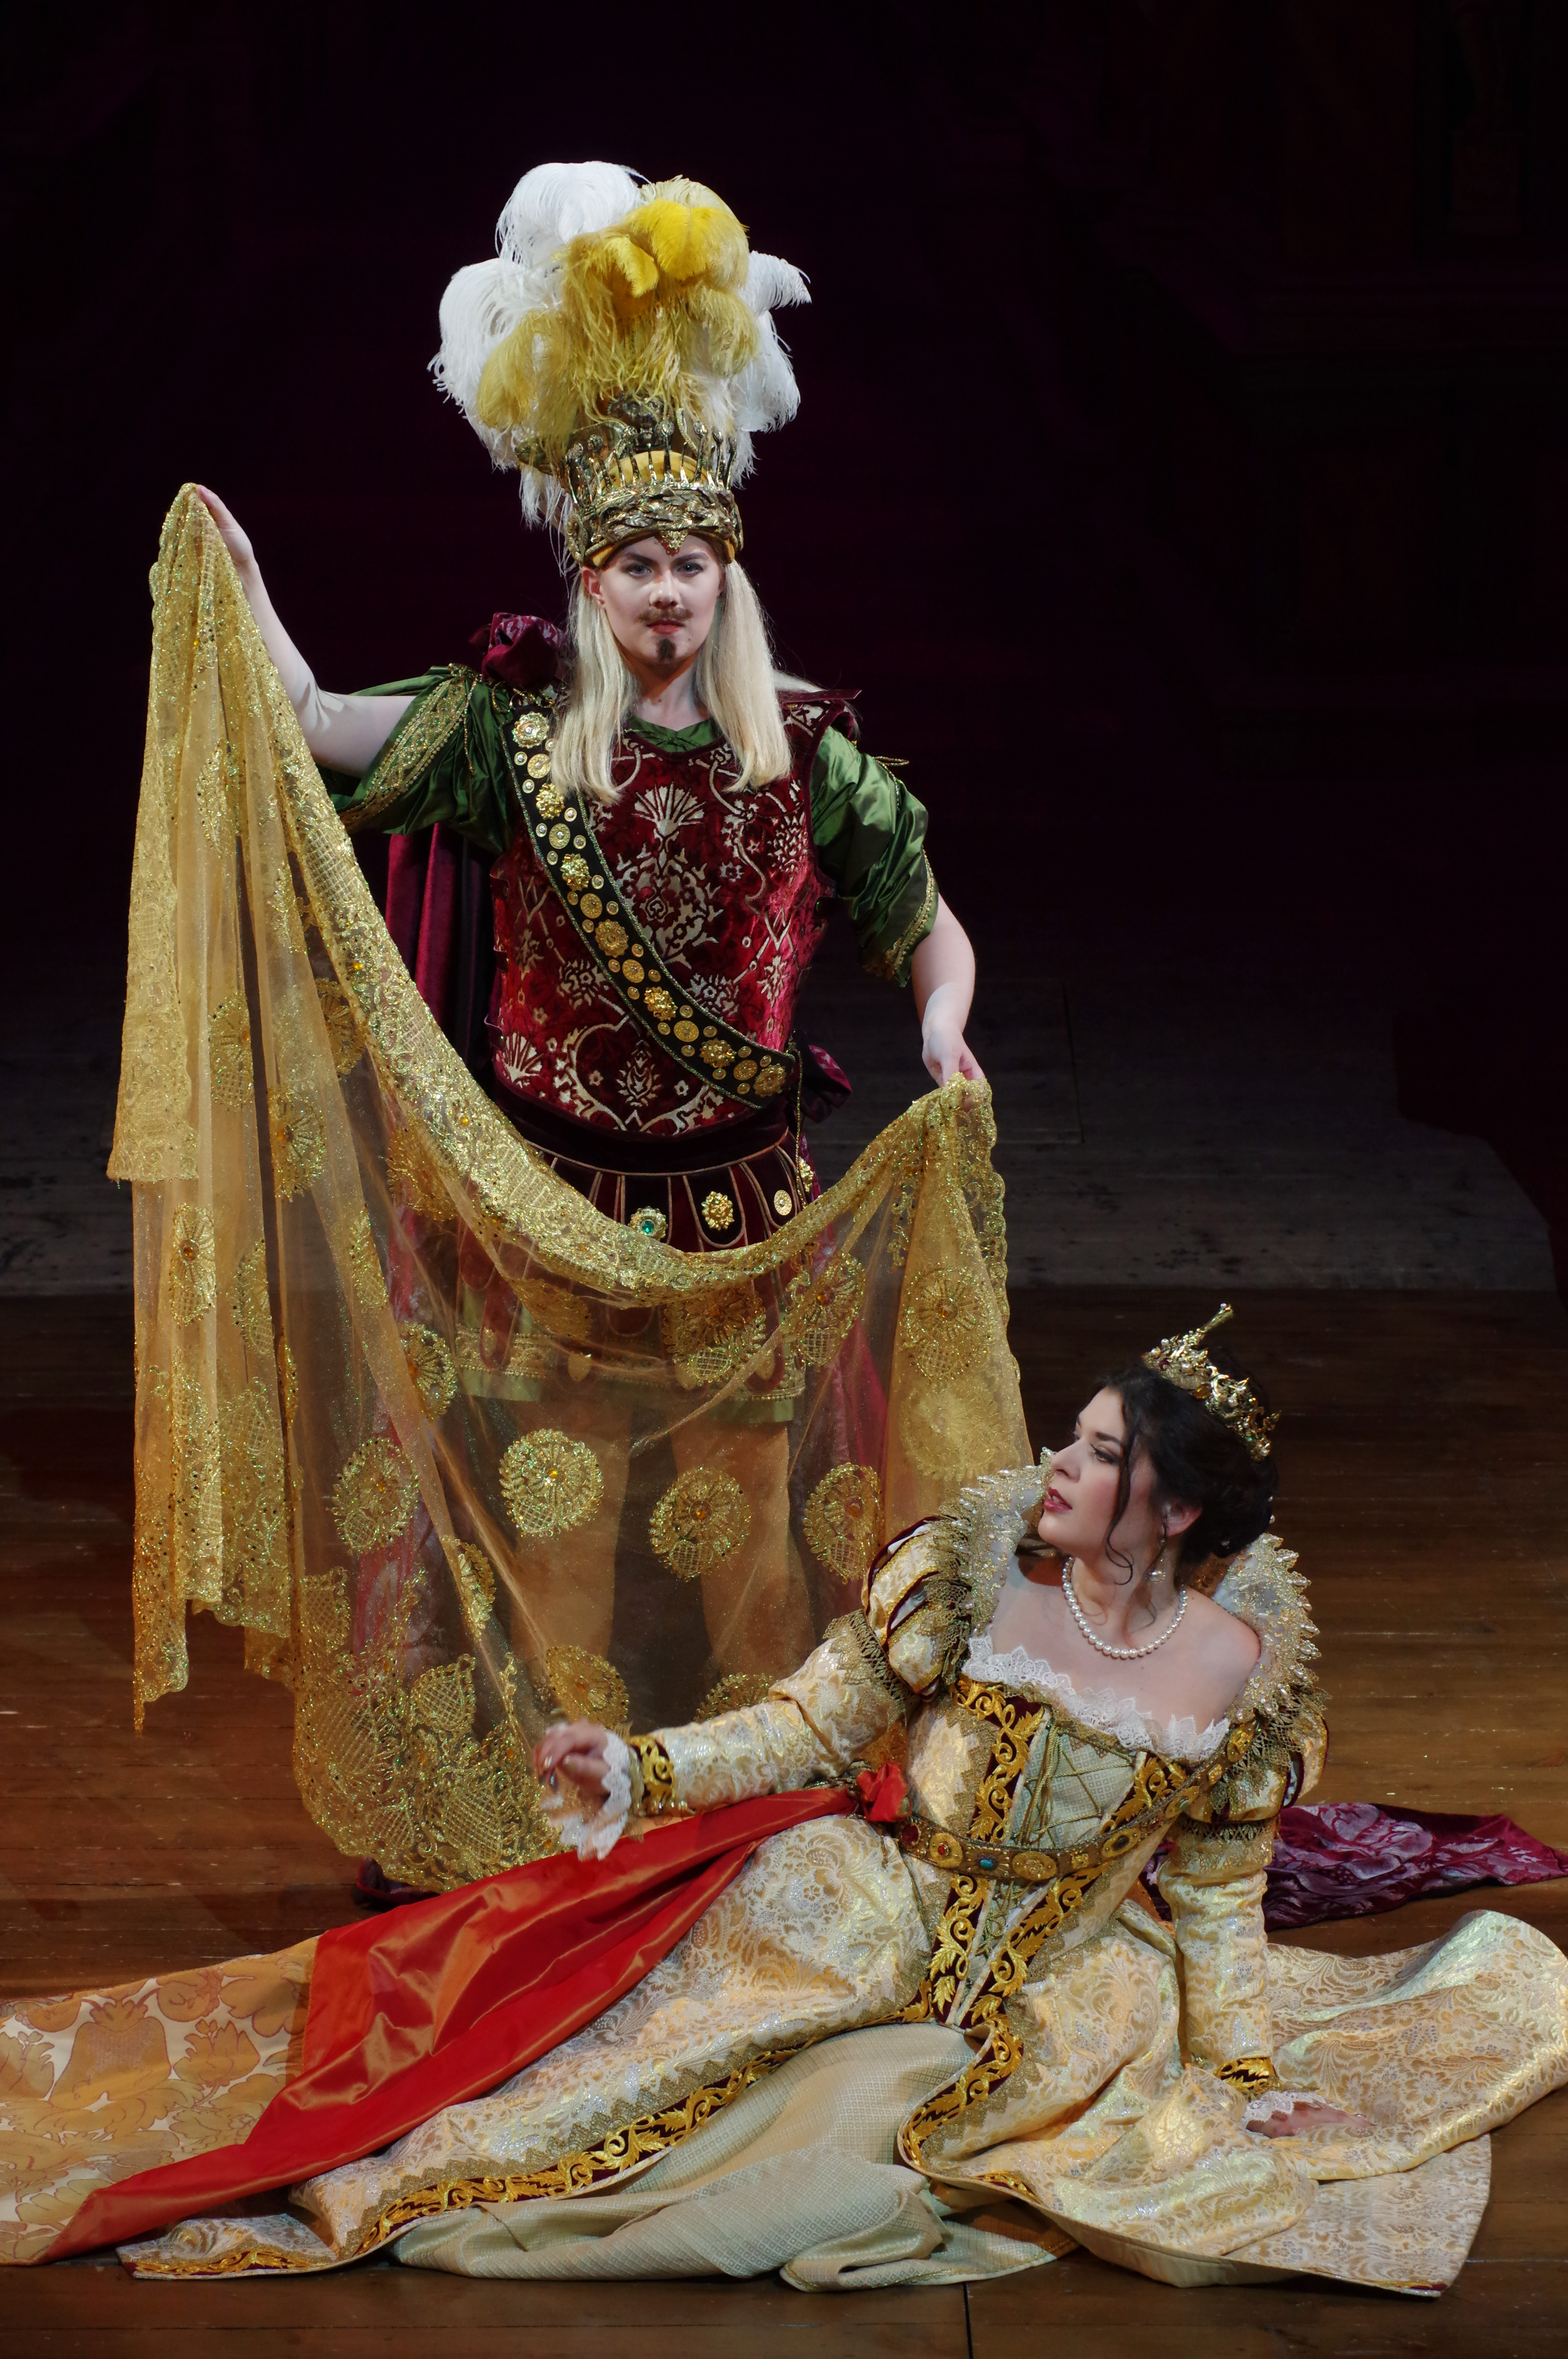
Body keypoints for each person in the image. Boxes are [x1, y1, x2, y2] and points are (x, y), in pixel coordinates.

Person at [16, 1312, 1565, 2291]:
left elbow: (1220, 1898)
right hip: (866, 1907)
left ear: (1172, 1511)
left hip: (1063, 1987)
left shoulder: (1240, 1679)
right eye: (1070, 1436)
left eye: (1097, 1456)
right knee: (593, 2090)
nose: (1055, 1465)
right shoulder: (966, 1583)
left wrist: (1238, 2067)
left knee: (961, 2145)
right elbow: (811, 1726)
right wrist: (642, 1769)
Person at [192, 160, 983, 1689]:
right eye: (636, 566)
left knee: (756, 1538)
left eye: (690, 564)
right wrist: (251, 589)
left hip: (742, 1206)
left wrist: (942, 1023)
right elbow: (318, 720)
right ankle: (568, 1794)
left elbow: (929, 924)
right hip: (552, 1208)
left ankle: (759, 1791)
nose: (666, 594)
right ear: (591, 579)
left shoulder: (804, 754)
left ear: (726, 579)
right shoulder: (516, 735)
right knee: (560, 1525)